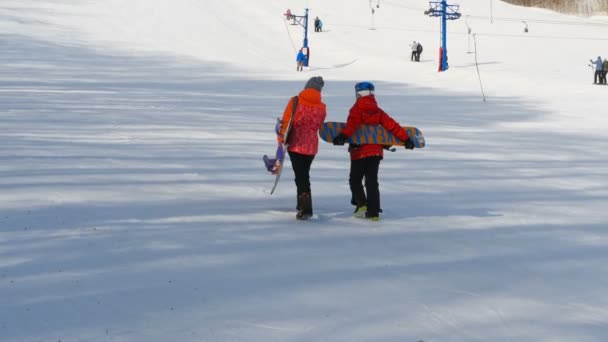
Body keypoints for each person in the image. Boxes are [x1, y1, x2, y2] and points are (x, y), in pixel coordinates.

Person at [332, 82, 415, 221]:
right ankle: (374, 211)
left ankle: (362, 204)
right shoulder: (378, 111)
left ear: (358, 94)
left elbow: (352, 125)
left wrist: (342, 137)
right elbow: (392, 126)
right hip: (375, 152)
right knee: (372, 181)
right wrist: (406, 139)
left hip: (359, 151)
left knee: (355, 180)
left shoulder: (357, 109)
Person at [277, 77, 327, 220]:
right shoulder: (322, 107)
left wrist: (281, 140)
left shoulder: (295, 101)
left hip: (296, 145)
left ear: (306, 87)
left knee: (301, 176)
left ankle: (306, 208)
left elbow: (286, 121)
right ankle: (302, 205)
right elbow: (321, 126)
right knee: (303, 174)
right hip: (311, 147)